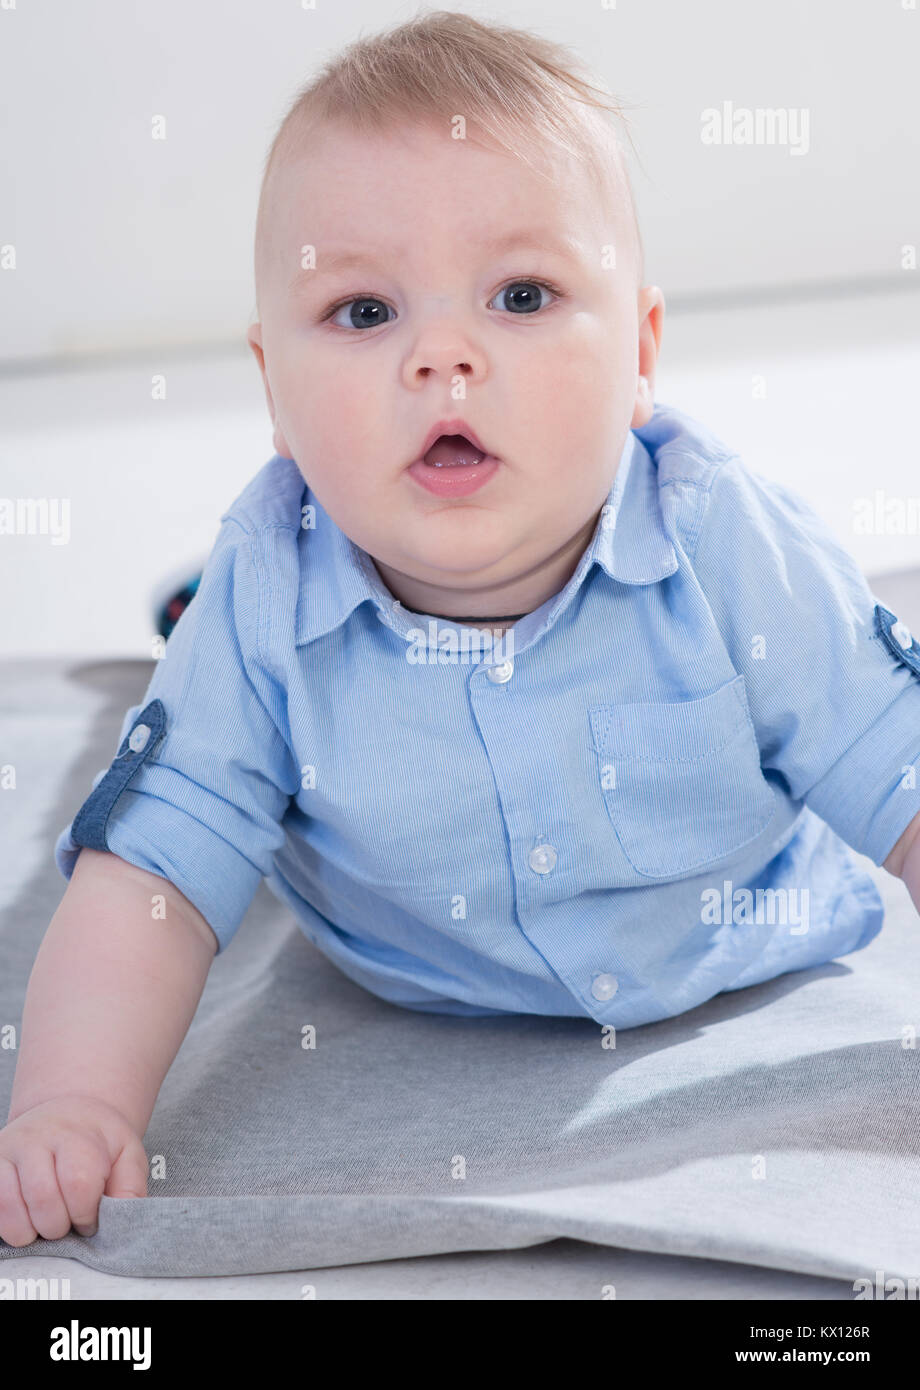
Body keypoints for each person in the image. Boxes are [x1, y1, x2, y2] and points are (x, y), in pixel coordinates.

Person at [3, 10, 920, 1249]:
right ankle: (177, 614)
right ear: (273, 391)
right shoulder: (270, 587)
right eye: (364, 312)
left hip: (735, 938)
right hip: (406, 958)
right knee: (181, 725)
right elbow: (152, 875)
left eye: (522, 295)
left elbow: (900, 768)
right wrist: (71, 1100)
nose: (443, 354)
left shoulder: (723, 546)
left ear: (640, 355)